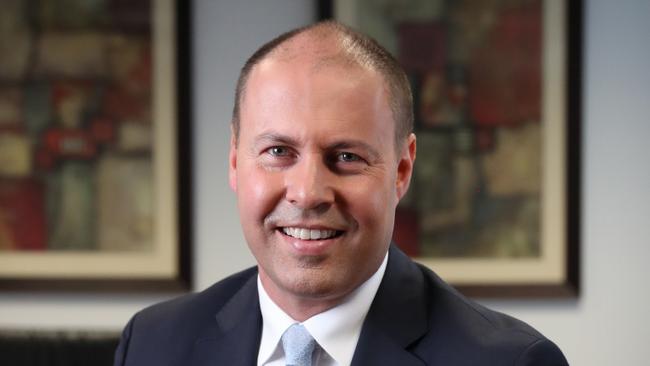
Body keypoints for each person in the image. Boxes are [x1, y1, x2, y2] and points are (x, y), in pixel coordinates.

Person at [113, 21, 568, 366]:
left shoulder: (511, 361)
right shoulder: (153, 345)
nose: (308, 193)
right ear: (235, 160)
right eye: (277, 151)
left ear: (402, 169)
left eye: (347, 157)